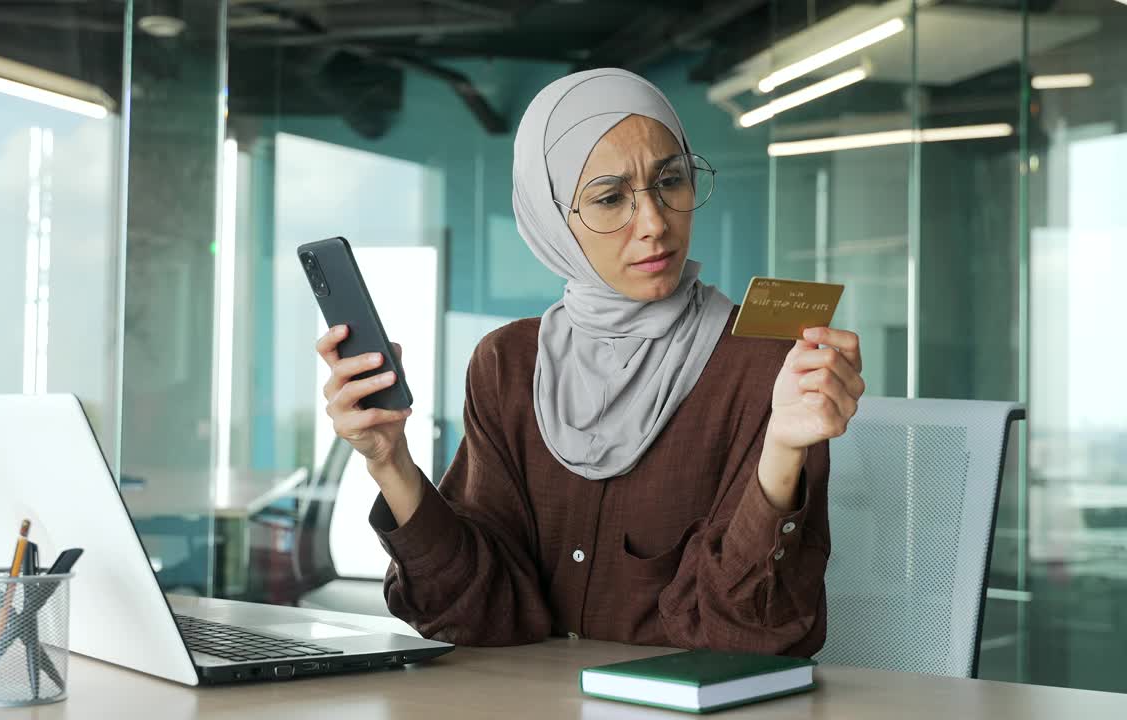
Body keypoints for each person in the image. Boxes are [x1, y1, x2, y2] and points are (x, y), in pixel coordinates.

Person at [313, 68, 864, 656]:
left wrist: (783, 449)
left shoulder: (766, 364)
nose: (655, 224)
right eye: (609, 198)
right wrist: (389, 460)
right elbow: (478, 613)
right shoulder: (508, 363)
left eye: (671, 181)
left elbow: (743, 635)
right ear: (551, 219)